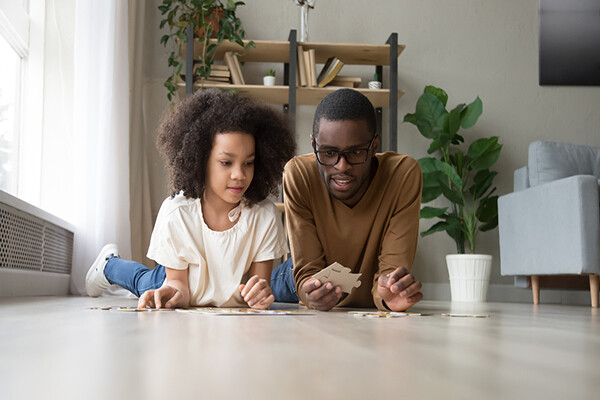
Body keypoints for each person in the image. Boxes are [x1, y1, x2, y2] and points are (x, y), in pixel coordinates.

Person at [85, 88, 296, 309]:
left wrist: (260, 294)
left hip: (226, 293)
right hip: (182, 281)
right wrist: (174, 292)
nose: (239, 175)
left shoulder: (265, 215)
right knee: (144, 283)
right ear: (201, 159)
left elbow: (259, 284)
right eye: (226, 162)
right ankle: (108, 265)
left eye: (248, 162)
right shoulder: (177, 212)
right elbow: (178, 284)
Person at [271, 88, 423, 312]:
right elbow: (307, 272)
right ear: (314, 146)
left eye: (356, 152)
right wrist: (308, 291)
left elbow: (390, 273)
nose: (342, 166)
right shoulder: (299, 174)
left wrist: (388, 296)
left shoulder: (402, 175)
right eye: (329, 153)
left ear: (375, 146)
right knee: (263, 288)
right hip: (305, 273)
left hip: (364, 281)